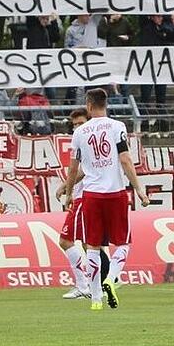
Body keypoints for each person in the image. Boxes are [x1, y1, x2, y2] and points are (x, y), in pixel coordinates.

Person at [61, 89, 150, 311]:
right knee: (122, 243)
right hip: (116, 193)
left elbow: (73, 168)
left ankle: (96, 300)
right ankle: (111, 278)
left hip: (91, 195)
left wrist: (69, 193)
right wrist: (138, 188)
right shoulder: (117, 127)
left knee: (92, 245)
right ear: (106, 104)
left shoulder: (80, 132)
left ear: (89, 106)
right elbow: (126, 159)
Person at [54, 108, 94, 300]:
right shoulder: (87, 140)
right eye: (75, 124)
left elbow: (81, 171)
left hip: (84, 196)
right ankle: (104, 280)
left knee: (66, 240)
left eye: (81, 123)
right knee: (89, 242)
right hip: (88, 195)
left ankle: (84, 284)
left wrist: (65, 189)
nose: (77, 127)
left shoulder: (86, 142)